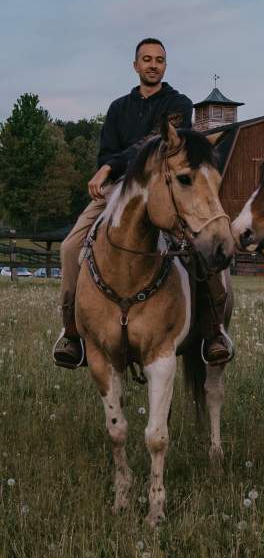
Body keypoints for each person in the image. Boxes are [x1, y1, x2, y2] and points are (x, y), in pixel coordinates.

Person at [53, 37, 233, 368]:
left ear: (165, 65)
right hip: (119, 191)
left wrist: (110, 165)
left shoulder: (179, 104)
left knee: (199, 248)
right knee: (68, 247)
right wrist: (108, 168)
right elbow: (106, 152)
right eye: (146, 59)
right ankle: (72, 332)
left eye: (159, 60)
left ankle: (213, 330)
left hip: (164, 190)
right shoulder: (118, 108)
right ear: (135, 65)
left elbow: (154, 146)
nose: (153, 64)